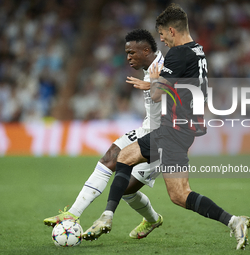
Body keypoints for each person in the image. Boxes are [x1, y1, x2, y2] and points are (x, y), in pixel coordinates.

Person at [84, 3, 250, 250]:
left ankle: (106, 216)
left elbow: (156, 95)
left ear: (172, 30)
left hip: (171, 129)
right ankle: (234, 221)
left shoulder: (178, 53)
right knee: (179, 194)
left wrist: (152, 82)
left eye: (162, 34)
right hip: (185, 130)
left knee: (123, 156)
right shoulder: (198, 51)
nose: (161, 40)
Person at [44, 29, 165, 240]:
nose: (128, 57)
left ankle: (153, 219)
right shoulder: (151, 68)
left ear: (146, 50)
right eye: (126, 53)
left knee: (126, 190)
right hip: (146, 130)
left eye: (132, 53)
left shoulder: (165, 69)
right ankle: (72, 215)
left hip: (164, 139)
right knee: (109, 158)